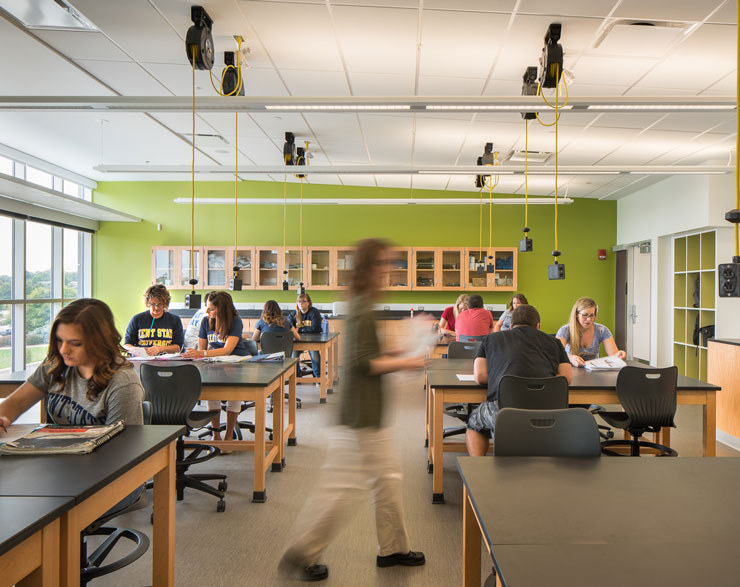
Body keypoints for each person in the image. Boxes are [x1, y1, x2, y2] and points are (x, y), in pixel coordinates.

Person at [280, 238, 426, 582]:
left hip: (368, 411)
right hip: (361, 415)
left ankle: (393, 548)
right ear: (369, 268)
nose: (389, 271)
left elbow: (370, 354)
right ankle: (303, 551)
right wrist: (406, 361)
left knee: (387, 478)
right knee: (344, 486)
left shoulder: (365, 303)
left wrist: (400, 351)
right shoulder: (361, 306)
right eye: (384, 264)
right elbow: (362, 362)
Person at [0, 298, 144, 433]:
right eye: (59, 340)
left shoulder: (123, 383)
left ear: (99, 341)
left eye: (75, 344)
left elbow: (121, 447)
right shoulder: (56, 364)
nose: (63, 350)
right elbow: (17, 402)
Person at [466, 304, 572, 457]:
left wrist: (502, 377)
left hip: (504, 411)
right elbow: (566, 377)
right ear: (538, 325)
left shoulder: (491, 339)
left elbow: (480, 377)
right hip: (548, 411)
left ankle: (477, 468)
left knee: (474, 423)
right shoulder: (554, 342)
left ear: (510, 326)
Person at [183, 291, 250, 442]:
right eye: (207, 307)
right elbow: (202, 348)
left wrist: (201, 353)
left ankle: (228, 436)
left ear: (222, 309)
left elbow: (227, 350)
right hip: (215, 362)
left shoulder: (235, 321)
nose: (207, 312)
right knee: (212, 394)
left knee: (234, 396)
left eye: (211, 309)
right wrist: (196, 353)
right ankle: (216, 434)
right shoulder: (206, 321)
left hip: (236, 361)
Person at [556, 297, 626, 367]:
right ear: (577, 314)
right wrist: (570, 357)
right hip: (571, 370)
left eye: (592, 315)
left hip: (594, 372)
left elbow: (613, 355)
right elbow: (556, 353)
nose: (589, 319)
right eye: (585, 315)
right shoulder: (565, 330)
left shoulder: (602, 330)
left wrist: (618, 355)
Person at [124, 284, 184, 356]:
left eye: (160, 304)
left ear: (165, 304)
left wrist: (160, 349)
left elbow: (178, 348)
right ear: (148, 303)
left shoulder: (174, 320)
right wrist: (136, 350)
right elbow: (127, 345)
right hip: (142, 362)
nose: (156, 308)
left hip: (166, 362)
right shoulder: (137, 319)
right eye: (153, 304)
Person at [289, 293, 323, 378]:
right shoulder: (294, 314)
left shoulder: (314, 312)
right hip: (298, 342)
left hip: (313, 341)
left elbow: (315, 328)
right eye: (299, 301)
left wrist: (299, 330)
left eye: (303, 301)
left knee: (315, 355)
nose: (301, 303)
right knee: (294, 354)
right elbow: (288, 326)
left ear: (308, 303)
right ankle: (297, 377)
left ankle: (317, 378)